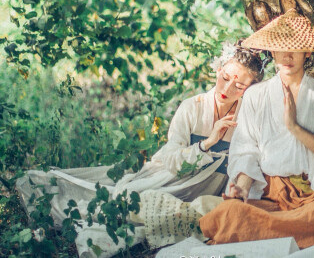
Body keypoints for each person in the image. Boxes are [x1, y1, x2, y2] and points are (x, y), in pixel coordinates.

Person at [16, 43, 265, 257]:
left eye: (240, 85)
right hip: (169, 179)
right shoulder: (193, 107)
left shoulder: (248, 115)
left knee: (161, 220)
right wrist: (206, 143)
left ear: (250, 88)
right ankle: (43, 201)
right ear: (219, 69)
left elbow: (249, 158)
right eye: (226, 76)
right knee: (117, 201)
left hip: (203, 191)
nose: (228, 88)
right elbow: (169, 159)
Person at [200, 9, 314, 250]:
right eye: (280, 47)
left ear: (307, 52)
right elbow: (246, 150)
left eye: (295, 48)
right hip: (271, 198)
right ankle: (300, 236)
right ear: (271, 50)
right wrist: (241, 189)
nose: (287, 55)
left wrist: (294, 127)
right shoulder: (256, 95)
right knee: (229, 213)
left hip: (313, 194)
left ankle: (284, 238)